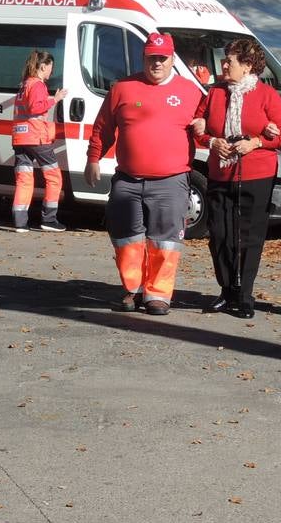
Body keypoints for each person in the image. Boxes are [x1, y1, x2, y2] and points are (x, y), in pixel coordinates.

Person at [85, 31, 203, 316]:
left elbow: (208, 128)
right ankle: (133, 289)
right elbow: (103, 127)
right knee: (127, 238)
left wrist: (204, 127)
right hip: (128, 179)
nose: (157, 64)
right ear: (144, 58)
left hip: (171, 181)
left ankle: (158, 294)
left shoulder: (191, 92)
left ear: (172, 59)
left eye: (162, 58)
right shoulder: (123, 88)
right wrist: (93, 159)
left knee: (165, 240)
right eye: (152, 58)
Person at [191, 38, 281, 319]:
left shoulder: (266, 95)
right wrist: (212, 142)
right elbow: (198, 126)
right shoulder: (215, 93)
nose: (223, 65)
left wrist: (257, 142)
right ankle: (226, 290)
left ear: (247, 66)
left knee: (249, 236)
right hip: (221, 172)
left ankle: (245, 294)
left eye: (229, 61)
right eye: (224, 60)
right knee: (220, 234)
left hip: (256, 173)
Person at [12, 50, 68, 232]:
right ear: (43, 66)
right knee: (54, 177)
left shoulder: (24, 84)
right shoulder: (37, 85)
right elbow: (35, 108)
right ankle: (49, 220)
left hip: (21, 137)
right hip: (36, 137)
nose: (51, 72)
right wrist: (55, 99)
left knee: (24, 180)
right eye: (51, 68)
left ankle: (20, 223)